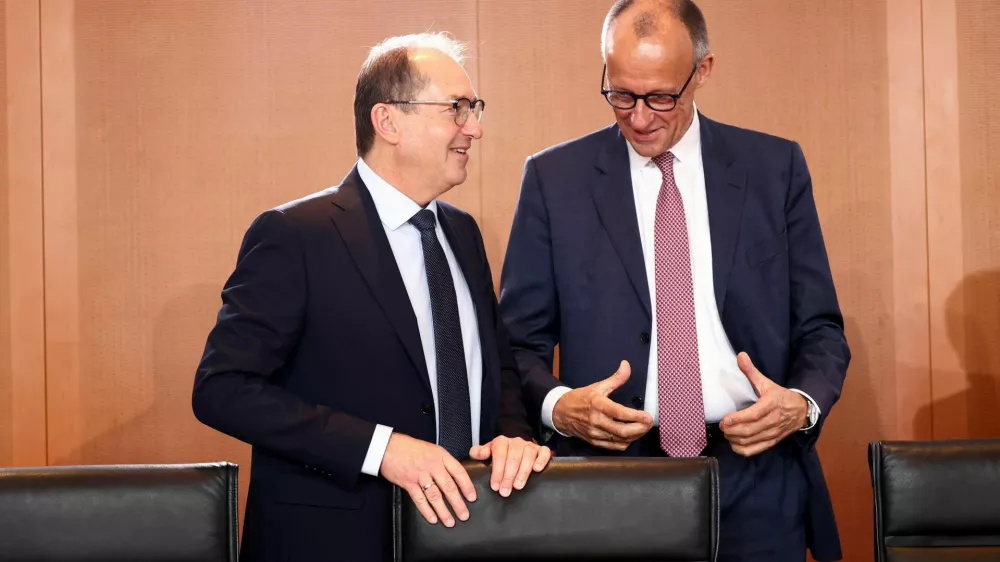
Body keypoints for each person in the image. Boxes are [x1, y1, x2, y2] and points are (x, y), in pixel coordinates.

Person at [498, 1, 850, 561]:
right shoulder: (552, 180)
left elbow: (821, 329)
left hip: (756, 476)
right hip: (608, 482)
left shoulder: (773, 169)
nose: (639, 118)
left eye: (661, 97)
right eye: (620, 94)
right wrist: (558, 404)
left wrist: (800, 404)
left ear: (703, 71)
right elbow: (517, 344)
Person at [193, 32, 551, 562]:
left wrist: (511, 437)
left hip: (474, 531)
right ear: (389, 122)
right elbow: (222, 389)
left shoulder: (464, 233)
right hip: (333, 541)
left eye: (474, 109)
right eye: (457, 109)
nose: (474, 128)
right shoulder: (296, 235)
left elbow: (493, 369)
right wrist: (381, 449)